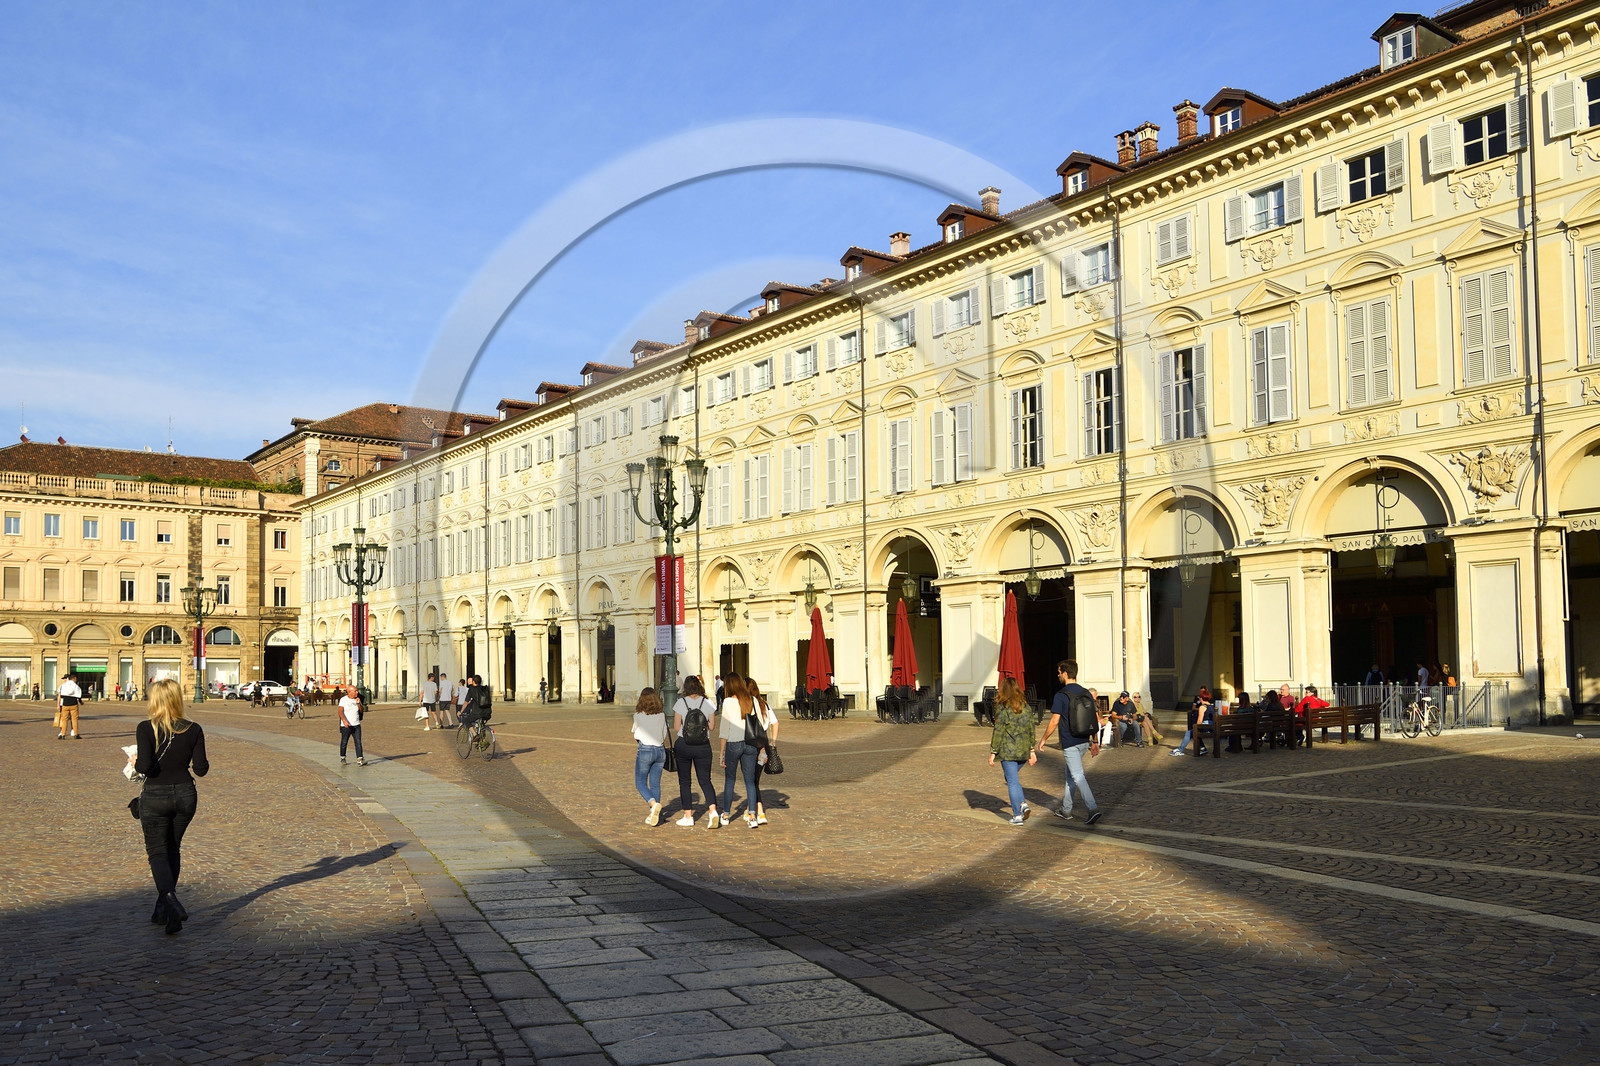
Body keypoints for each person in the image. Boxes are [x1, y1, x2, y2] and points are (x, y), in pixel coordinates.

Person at [133, 679, 210, 934]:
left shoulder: (146, 728)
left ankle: (170, 899)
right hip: (186, 795)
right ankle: (164, 909)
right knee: (172, 848)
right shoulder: (194, 729)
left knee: (157, 851)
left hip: (156, 796)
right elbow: (201, 770)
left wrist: (134, 760)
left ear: (154, 700)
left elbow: (144, 767)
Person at [1036, 659, 1102, 825]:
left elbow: (1054, 721)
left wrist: (1043, 739)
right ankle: (1066, 809)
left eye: (1059, 672)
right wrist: (1095, 741)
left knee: (1077, 776)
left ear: (1065, 673)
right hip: (1084, 740)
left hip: (1070, 742)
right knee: (1070, 775)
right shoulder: (1086, 692)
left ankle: (1092, 808)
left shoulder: (1061, 695)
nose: (1058, 675)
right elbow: (1094, 718)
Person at [988, 677, 1038, 825]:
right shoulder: (1026, 707)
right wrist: (1031, 750)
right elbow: (1031, 729)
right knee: (1012, 778)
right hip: (1023, 751)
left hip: (1008, 751)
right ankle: (1022, 804)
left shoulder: (1003, 708)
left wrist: (993, 752)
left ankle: (1017, 814)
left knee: (1012, 781)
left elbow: (998, 731)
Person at [672, 676, 720, 828]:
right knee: (705, 780)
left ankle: (688, 816)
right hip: (703, 746)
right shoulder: (708, 703)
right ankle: (713, 812)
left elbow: (677, 728)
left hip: (684, 745)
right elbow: (711, 727)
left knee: (685, 781)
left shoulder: (681, 702)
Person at [718, 673, 760, 826]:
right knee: (750, 781)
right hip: (750, 744)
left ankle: (726, 814)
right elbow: (759, 724)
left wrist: (721, 752)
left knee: (730, 780)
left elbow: (724, 730)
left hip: (734, 744)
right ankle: (753, 816)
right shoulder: (752, 700)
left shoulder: (728, 702)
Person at [744, 679, 779, 826]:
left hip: (753, 744)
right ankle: (750, 809)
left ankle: (760, 811)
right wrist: (772, 742)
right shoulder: (765, 704)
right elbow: (775, 723)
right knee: (754, 778)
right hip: (764, 743)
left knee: (752, 780)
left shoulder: (749, 705)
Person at [632, 688, 668, 826]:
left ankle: (653, 805)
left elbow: (635, 734)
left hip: (645, 750)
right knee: (655, 784)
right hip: (660, 750)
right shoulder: (662, 715)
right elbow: (664, 733)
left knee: (640, 782)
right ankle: (653, 814)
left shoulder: (638, 715)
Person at [1172, 686, 1215, 756]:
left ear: (1201, 698)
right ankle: (1202, 748)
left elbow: (1200, 720)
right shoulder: (1211, 706)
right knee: (1193, 732)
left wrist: (1196, 727)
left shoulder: (1202, 707)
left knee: (1189, 733)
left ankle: (1180, 750)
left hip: (1205, 727)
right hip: (1211, 727)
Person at [338, 685, 365, 766]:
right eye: (355, 691)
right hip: (346, 725)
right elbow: (340, 711)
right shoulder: (343, 700)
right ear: (349, 692)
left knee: (358, 742)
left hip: (356, 724)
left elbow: (361, 710)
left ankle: (360, 758)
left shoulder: (357, 699)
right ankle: (343, 757)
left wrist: (358, 704)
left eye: (357, 691)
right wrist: (344, 720)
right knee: (344, 741)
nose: (357, 692)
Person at [57, 672, 83, 740]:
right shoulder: (75, 686)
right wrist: (80, 701)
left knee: (64, 720)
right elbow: (79, 695)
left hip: (65, 703)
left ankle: (63, 735)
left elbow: (61, 695)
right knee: (74, 719)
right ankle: (76, 734)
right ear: (74, 679)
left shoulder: (63, 685)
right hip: (73, 703)